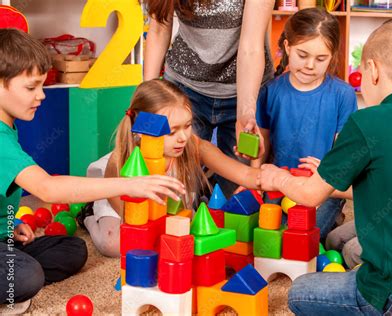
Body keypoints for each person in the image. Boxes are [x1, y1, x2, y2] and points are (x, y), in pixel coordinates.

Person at [258, 18, 392, 315]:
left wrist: (276, 176)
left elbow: (308, 195)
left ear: (371, 71)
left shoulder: (367, 122)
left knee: (298, 292)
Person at [0, 28, 185, 314]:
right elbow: (47, 188)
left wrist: (9, 225)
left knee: (73, 250)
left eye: (41, 86)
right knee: (26, 276)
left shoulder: (8, 127)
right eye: (31, 87)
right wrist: (127, 186)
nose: (41, 96)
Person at [82, 79, 261, 257]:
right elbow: (117, 199)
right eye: (171, 131)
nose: (182, 137)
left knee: (188, 236)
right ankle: (88, 216)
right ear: (142, 126)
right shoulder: (125, 154)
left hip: (167, 207)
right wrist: (145, 228)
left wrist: (274, 179)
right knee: (115, 245)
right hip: (127, 206)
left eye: (188, 126)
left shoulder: (192, 145)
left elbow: (243, 173)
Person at [143, 0, 275, 197]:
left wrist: (245, 113)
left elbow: (251, 47)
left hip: (244, 89)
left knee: (239, 195)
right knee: (176, 191)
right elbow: (159, 30)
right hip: (185, 87)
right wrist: (150, 99)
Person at [253, 8, 357, 239]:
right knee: (268, 235)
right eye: (302, 55)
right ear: (287, 47)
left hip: (322, 188)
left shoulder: (343, 95)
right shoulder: (270, 91)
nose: (310, 65)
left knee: (301, 236)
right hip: (279, 185)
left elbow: (345, 155)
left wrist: (323, 179)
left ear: (333, 56)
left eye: (321, 59)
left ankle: (332, 219)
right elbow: (262, 147)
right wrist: (255, 183)